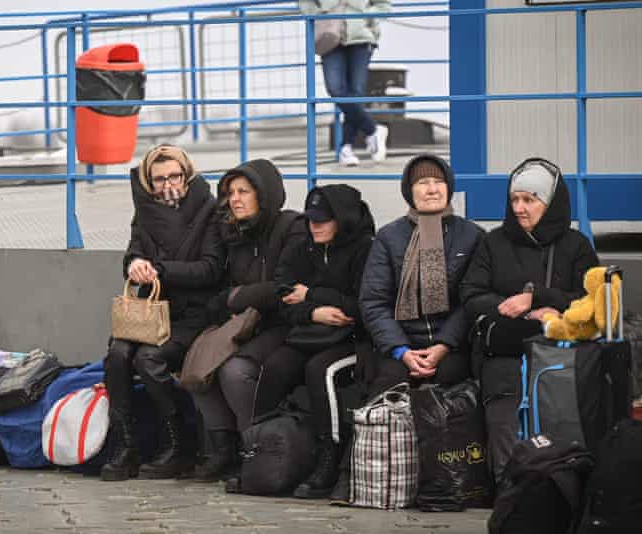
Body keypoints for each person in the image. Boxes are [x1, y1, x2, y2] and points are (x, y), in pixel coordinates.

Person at [459, 157, 599, 486]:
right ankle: (512, 492)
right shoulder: (493, 242)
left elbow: (590, 298)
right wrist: (522, 311)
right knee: (505, 403)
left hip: (558, 354)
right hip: (505, 351)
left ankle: (561, 486)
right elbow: (472, 294)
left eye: (529, 200)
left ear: (549, 204)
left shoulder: (575, 246)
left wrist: (539, 297)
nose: (520, 208)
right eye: (514, 199)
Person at [101, 144, 225, 481]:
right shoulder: (143, 212)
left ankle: (177, 443)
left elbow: (211, 269)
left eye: (175, 175)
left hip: (193, 314)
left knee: (148, 360)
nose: (168, 184)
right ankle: (125, 444)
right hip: (150, 311)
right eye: (158, 179)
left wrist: (160, 269)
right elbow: (133, 253)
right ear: (148, 182)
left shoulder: (209, 210)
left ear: (187, 176)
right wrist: (136, 265)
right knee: (117, 355)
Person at [190, 159, 307, 483]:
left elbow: (284, 288)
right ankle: (223, 449)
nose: (234, 199)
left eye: (244, 191)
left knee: (234, 371)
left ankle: (254, 447)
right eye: (229, 192)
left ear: (264, 194)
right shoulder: (234, 233)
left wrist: (234, 297)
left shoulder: (291, 227)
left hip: (286, 325)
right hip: (247, 325)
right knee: (197, 365)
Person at [263, 184, 375, 499]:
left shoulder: (366, 248)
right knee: (274, 367)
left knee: (320, 371)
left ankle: (330, 457)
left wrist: (311, 295)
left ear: (343, 219)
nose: (316, 225)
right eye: (312, 219)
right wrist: (316, 312)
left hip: (353, 340)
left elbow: (363, 306)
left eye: (324, 219)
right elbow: (283, 297)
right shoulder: (302, 247)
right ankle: (263, 451)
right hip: (309, 332)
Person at [358, 154, 484, 395]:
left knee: (449, 383)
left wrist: (444, 344)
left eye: (439, 182)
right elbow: (374, 301)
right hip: (401, 344)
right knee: (389, 386)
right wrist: (400, 350)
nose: (432, 190)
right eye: (423, 183)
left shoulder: (472, 236)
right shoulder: (388, 238)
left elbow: (471, 300)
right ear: (409, 191)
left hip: (454, 345)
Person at [299, 0, 391, 166]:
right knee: (335, 88)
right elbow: (305, 3)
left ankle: (346, 147)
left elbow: (384, 4)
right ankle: (373, 130)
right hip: (329, 35)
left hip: (361, 36)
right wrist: (319, 14)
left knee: (356, 92)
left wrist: (366, 14)